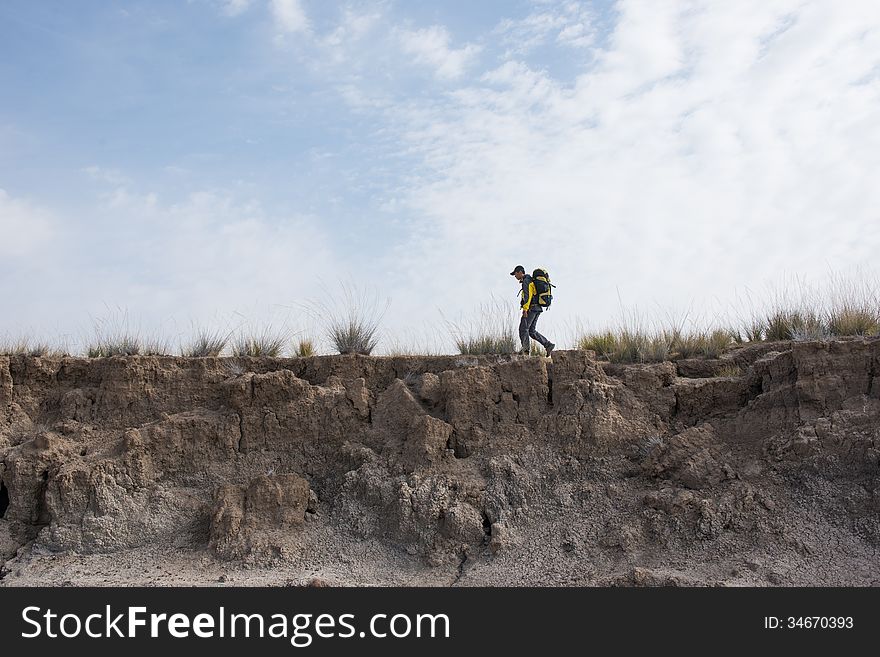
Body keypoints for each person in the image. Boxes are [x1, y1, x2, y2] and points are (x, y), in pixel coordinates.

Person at [510, 265, 555, 356]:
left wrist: (525, 309)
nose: (515, 276)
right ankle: (548, 344)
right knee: (531, 331)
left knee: (523, 329)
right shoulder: (530, 280)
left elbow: (528, 295)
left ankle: (525, 351)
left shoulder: (527, 281)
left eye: (515, 274)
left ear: (520, 272)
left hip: (532, 308)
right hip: (537, 308)